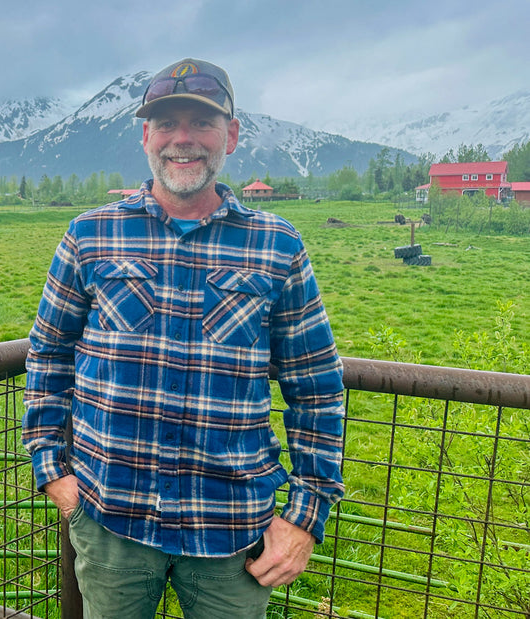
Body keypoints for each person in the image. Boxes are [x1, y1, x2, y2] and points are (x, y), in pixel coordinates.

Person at [21, 58, 345, 618]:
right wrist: (52, 471)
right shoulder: (90, 235)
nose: (183, 139)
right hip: (110, 518)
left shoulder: (278, 246)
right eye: (167, 124)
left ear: (232, 136)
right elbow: (48, 356)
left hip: (233, 534)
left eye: (201, 122)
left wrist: (305, 516)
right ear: (146, 136)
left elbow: (315, 389)